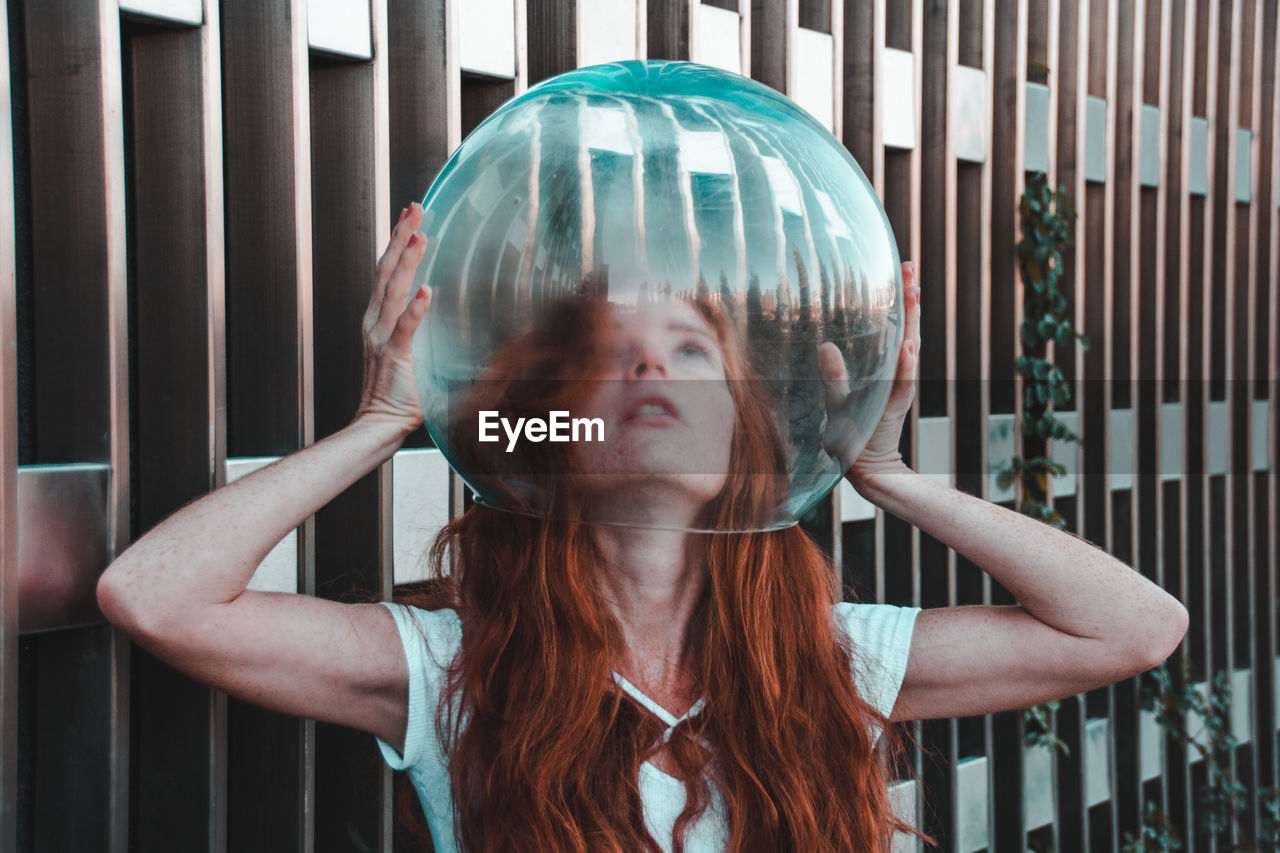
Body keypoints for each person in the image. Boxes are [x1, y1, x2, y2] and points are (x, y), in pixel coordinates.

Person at [97, 201, 1190, 852]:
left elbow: (1132, 626)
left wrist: (889, 475)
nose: (648, 372)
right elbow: (153, 596)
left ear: (739, 442)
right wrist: (384, 421)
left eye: (688, 353)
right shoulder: (453, 670)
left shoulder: (829, 657)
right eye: (609, 361)